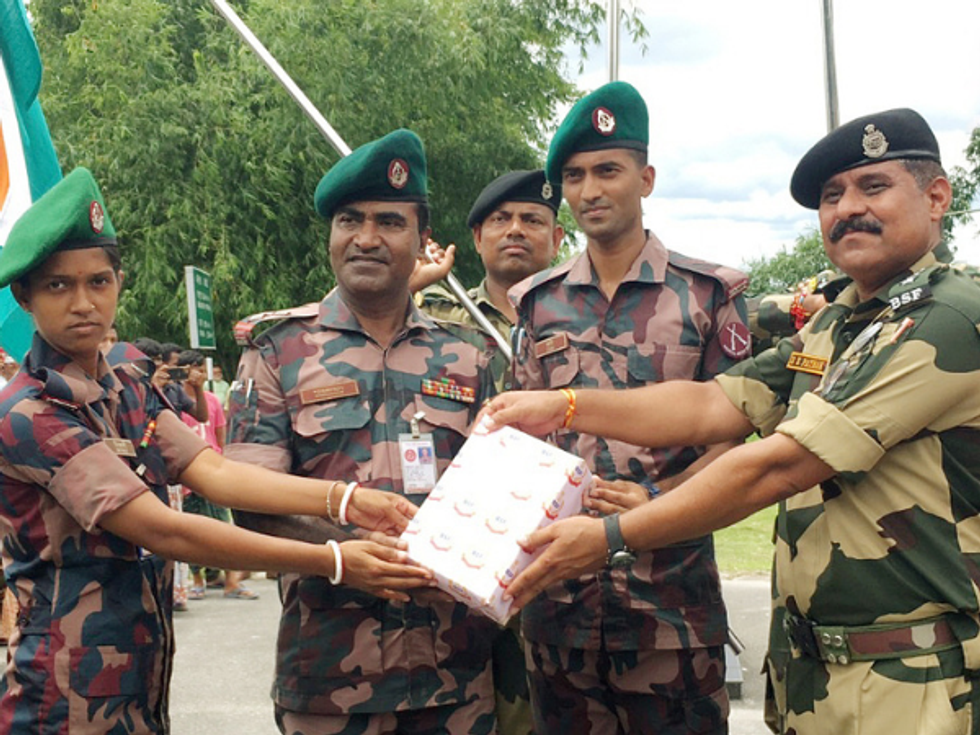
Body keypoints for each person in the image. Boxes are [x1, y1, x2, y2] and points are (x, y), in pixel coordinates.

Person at [484, 108, 980, 735]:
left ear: (937, 197)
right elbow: (711, 402)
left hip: (916, 674)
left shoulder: (945, 319)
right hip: (823, 666)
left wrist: (614, 536)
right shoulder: (839, 321)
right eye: (832, 196)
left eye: (873, 187)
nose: (848, 208)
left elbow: (778, 465)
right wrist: (566, 404)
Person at [0, 167, 434, 734]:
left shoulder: (128, 383)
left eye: (98, 282)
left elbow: (214, 472)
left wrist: (348, 499)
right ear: (24, 296)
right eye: (59, 285)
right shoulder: (29, 412)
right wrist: (333, 560)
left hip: (139, 675)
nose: (84, 302)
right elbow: (166, 531)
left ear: (119, 283)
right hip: (60, 691)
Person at [225, 129, 500, 735]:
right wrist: (346, 555)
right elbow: (247, 501)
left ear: (422, 239)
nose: (367, 238)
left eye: (389, 221)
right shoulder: (278, 353)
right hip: (327, 678)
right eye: (350, 219)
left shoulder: (469, 357)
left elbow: (498, 497)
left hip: (454, 678)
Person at [508, 80, 751, 735]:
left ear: (645, 178)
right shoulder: (538, 303)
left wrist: (661, 499)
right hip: (559, 613)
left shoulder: (707, 295)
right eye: (576, 176)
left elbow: (738, 434)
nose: (590, 191)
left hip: (671, 608)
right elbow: (519, 448)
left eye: (608, 170)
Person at [415, 169, 564, 735]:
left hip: (554, 553)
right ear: (476, 239)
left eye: (532, 220)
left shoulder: (585, 318)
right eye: (499, 220)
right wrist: (410, 282)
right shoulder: (430, 315)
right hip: (461, 549)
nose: (515, 230)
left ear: (556, 239)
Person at [175, 349, 257, 601]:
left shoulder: (210, 400)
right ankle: (198, 579)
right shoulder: (174, 400)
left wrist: (222, 460)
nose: (195, 374)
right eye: (189, 369)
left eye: (199, 368)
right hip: (188, 474)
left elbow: (220, 434)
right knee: (193, 527)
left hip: (213, 471)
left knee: (224, 524)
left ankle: (232, 581)